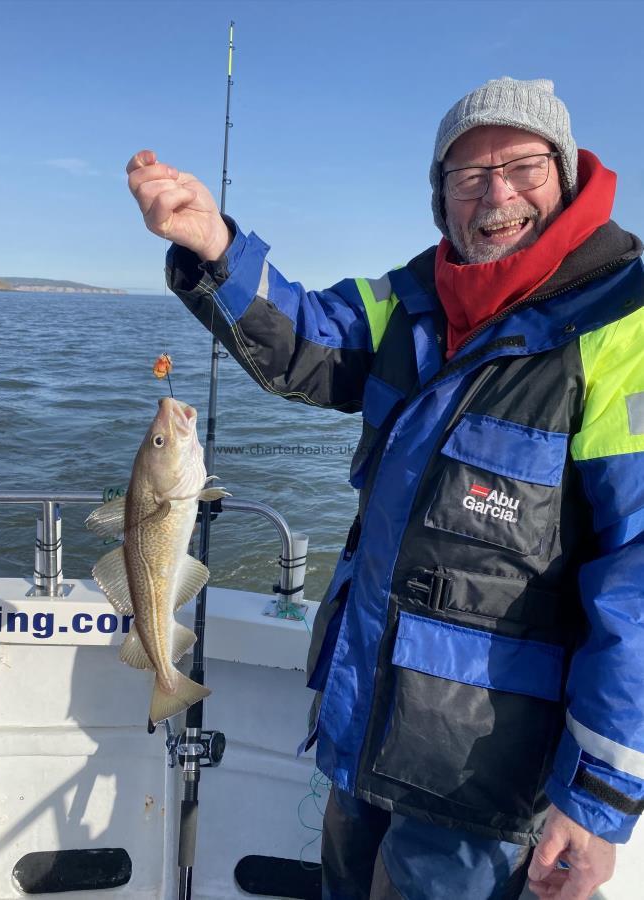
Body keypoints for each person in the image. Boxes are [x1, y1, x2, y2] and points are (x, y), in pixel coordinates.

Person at [127, 76, 644, 900]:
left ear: (567, 172)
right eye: (466, 175)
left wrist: (597, 799)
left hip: (486, 779)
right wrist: (213, 246)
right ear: (439, 198)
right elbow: (303, 336)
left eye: (521, 166)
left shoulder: (627, 326)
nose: (495, 195)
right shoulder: (410, 303)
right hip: (361, 723)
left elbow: (636, 582)